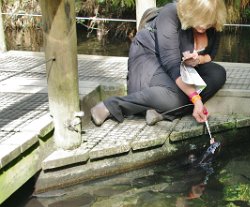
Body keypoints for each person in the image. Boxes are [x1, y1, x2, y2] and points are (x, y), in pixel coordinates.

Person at [91, 0, 227, 126]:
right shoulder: (171, 13)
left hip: (180, 66)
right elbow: (172, 65)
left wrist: (198, 60)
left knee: (218, 73)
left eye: (208, 22)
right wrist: (196, 100)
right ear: (192, 9)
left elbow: (211, 54)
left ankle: (161, 112)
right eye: (200, 19)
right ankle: (111, 106)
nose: (204, 25)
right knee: (177, 97)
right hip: (149, 57)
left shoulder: (212, 23)